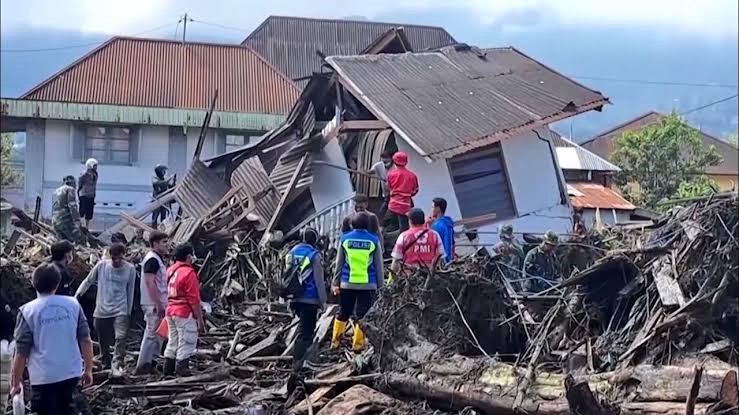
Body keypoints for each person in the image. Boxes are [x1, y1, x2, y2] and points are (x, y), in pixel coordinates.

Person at [11, 263, 94, 415]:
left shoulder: (27, 311)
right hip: (70, 373)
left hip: (43, 379)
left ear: (33, 283)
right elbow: (85, 340)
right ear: (57, 283)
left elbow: (21, 352)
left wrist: (16, 382)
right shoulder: (73, 305)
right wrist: (88, 369)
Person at [75, 243, 136, 375]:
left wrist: (128, 311)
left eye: (120, 258)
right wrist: (77, 295)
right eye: (114, 258)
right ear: (110, 256)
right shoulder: (102, 266)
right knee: (103, 338)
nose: (117, 261)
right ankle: (105, 360)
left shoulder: (130, 269)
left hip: (121, 308)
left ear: (124, 256)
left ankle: (117, 363)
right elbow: (88, 280)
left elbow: (130, 290)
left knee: (120, 337)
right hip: (102, 308)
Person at [331, 213, 384, 351]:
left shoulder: (345, 239)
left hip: (347, 283)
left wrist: (335, 283)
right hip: (368, 284)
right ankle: (358, 345)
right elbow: (379, 266)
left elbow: (339, 264)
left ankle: (335, 342)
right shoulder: (373, 240)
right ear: (368, 224)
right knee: (362, 315)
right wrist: (381, 286)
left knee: (343, 312)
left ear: (352, 225)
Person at [284, 228, 327, 378]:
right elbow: (319, 280)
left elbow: (287, 277)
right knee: (306, 331)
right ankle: (299, 365)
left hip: (294, 297)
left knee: (303, 328)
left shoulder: (290, 254)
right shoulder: (314, 255)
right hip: (310, 298)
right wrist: (323, 301)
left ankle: (300, 362)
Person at [163, 243, 204, 377]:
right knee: (187, 341)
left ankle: (168, 369)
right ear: (188, 256)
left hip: (170, 311)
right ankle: (182, 369)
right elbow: (194, 299)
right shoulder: (189, 272)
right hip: (184, 312)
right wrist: (199, 319)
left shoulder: (170, 270)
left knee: (173, 340)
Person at [134, 231, 170, 375]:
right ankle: (142, 365)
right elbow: (150, 283)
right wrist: (158, 304)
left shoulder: (157, 259)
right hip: (153, 304)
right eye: (164, 242)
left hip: (158, 303)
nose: (167, 245)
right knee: (151, 333)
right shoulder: (152, 260)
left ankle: (152, 362)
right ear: (155, 244)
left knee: (160, 333)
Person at [391, 208, 445, 274]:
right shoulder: (434, 235)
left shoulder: (403, 236)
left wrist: (392, 277)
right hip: (431, 276)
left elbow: (396, 260)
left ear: (410, 221)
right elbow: (441, 256)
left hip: (410, 278)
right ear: (423, 220)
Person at [386, 152, 418, 233]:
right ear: (406, 162)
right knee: (404, 229)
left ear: (394, 162)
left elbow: (389, 187)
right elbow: (415, 190)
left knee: (385, 224)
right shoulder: (412, 176)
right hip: (405, 206)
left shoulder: (390, 174)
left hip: (393, 205)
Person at [52, 175, 83, 243]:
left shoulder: (55, 191)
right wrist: (77, 220)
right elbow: (72, 206)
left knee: (62, 244)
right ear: (72, 182)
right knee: (77, 240)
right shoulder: (70, 189)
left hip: (55, 220)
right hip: (65, 220)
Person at [493, 224, 524, 289]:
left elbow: (521, 254)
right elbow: (494, 252)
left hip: (514, 271)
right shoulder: (499, 245)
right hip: (505, 272)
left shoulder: (515, 242)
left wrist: (511, 249)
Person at [367, 151, 393, 219]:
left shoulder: (395, 167)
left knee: (388, 205)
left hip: (395, 190)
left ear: (391, 159)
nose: (385, 163)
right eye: (383, 160)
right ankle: (380, 219)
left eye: (386, 159)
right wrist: (365, 172)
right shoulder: (379, 165)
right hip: (386, 190)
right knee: (386, 204)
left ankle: (382, 219)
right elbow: (372, 171)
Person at [429, 197, 455, 263]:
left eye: (432, 207)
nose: (431, 210)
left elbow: (447, 244)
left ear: (438, 209)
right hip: (444, 259)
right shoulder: (448, 223)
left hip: (440, 260)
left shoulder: (439, 225)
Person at [77, 158, 98, 229]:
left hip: (91, 196)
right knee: (82, 211)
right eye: (95, 165)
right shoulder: (84, 174)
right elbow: (80, 184)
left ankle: (87, 227)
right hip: (84, 195)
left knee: (89, 213)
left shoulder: (95, 174)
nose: (96, 167)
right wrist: (79, 194)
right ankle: (80, 226)